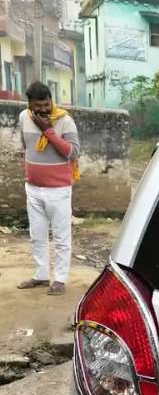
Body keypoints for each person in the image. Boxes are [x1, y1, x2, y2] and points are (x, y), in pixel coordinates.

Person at [17, 81, 80, 296]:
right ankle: (41, 275)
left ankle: (60, 279)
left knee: (61, 237)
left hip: (58, 190)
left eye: (47, 104)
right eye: (38, 105)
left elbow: (72, 152)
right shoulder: (23, 117)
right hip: (33, 188)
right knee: (37, 235)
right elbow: (26, 147)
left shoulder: (64, 120)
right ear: (30, 104)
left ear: (51, 101)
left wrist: (49, 132)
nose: (44, 109)